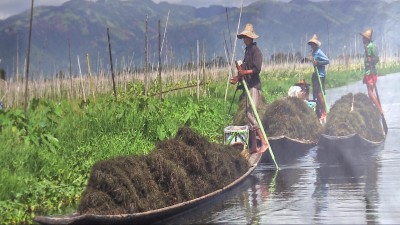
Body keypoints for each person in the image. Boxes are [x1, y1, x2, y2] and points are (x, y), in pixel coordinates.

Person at [230, 23, 268, 154]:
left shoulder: (256, 51)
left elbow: (257, 69)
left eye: (247, 37)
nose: (245, 39)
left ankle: (263, 142)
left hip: (254, 86)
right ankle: (253, 146)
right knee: (248, 114)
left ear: (251, 38)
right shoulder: (247, 51)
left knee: (251, 114)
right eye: (244, 37)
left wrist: (244, 73)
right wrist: (237, 78)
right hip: (248, 86)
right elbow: (244, 70)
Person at [307, 34, 330, 123]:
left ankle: (324, 112)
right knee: (316, 95)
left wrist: (318, 63)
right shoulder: (313, 52)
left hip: (320, 75)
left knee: (320, 94)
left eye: (313, 44)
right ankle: (319, 112)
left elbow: (327, 61)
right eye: (311, 44)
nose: (312, 46)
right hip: (316, 75)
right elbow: (312, 59)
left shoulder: (319, 51)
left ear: (316, 44)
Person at [360, 28, 383, 114]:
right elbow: (366, 64)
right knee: (370, 91)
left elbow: (376, 58)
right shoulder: (366, 46)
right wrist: (364, 75)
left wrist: (371, 60)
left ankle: (380, 109)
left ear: (367, 38)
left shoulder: (372, 46)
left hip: (372, 72)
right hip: (368, 73)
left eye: (363, 38)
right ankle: (372, 108)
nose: (362, 39)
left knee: (370, 92)